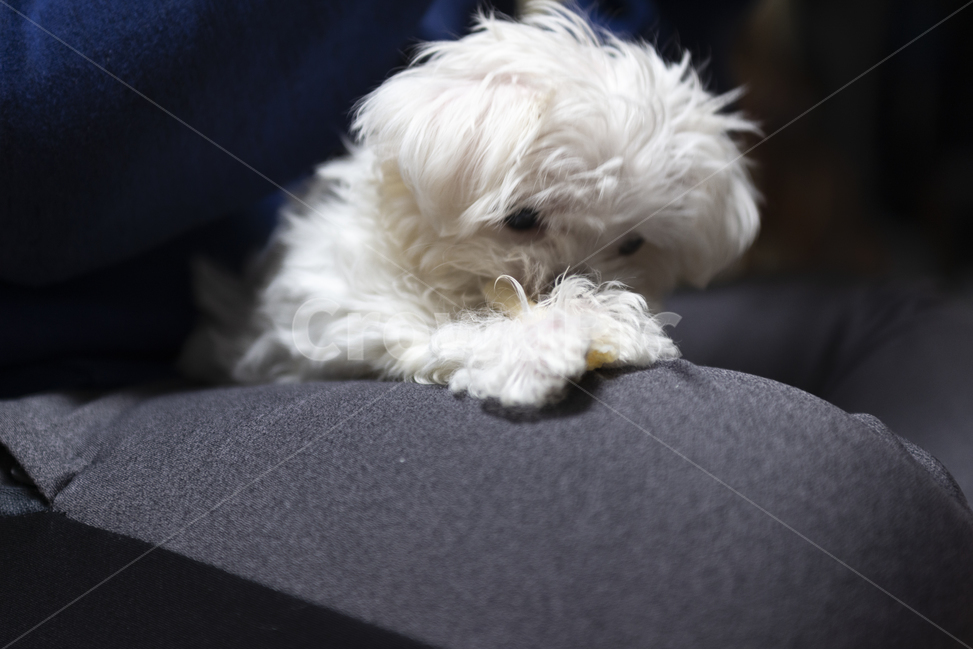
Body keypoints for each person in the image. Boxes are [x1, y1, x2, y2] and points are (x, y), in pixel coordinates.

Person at [1, 1, 971, 645]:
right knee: (833, 524)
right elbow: (37, 143)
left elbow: (625, 62)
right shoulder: (355, 254)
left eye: (628, 244)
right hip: (67, 386)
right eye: (523, 224)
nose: (562, 273)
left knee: (936, 331)